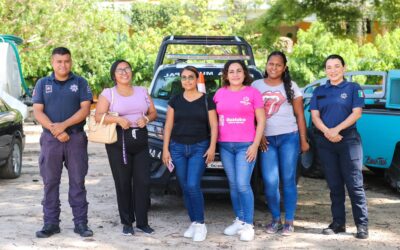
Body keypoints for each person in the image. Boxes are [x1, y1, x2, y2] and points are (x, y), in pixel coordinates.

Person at [32, 47, 93, 238]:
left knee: (77, 181)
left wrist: (63, 126)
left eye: (66, 61)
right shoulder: (43, 83)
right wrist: (55, 130)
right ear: (52, 62)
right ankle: (51, 223)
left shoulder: (80, 82)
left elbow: (85, 110)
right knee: (50, 182)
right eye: (59, 61)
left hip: (75, 138)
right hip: (51, 140)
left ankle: (81, 223)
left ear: (71, 62)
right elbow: (38, 111)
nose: (63, 65)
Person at [95, 59, 157, 236]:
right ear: (114, 75)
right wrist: (117, 119)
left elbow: (153, 113)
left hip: (141, 141)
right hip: (118, 142)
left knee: (143, 182)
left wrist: (145, 119)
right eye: (119, 70)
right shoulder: (109, 93)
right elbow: (98, 116)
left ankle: (143, 222)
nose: (124, 72)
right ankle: (127, 222)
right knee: (123, 183)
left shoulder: (142, 91)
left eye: (127, 69)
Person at [310, 54, 369, 239]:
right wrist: (328, 132)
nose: (333, 70)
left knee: (355, 184)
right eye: (329, 67)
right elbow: (314, 116)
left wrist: (336, 130)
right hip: (326, 143)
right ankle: (338, 223)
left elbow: (357, 113)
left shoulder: (353, 88)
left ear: (344, 68)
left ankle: (362, 225)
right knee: (335, 185)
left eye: (336, 66)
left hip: (349, 141)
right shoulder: (319, 91)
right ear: (325, 70)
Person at [252, 51, 309, 236]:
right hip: (266, 140)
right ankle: (276, 219)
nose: (273, 67)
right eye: (271, 64)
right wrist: (258, 136)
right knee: (270, 181)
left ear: (284, 68)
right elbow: (251, 115)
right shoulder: (256, 86)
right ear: (266, 65)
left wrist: (303, 139)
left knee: (288, 180)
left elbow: (300, 115)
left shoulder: (292, 86)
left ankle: (289, 222)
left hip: (289, 137)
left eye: (278, 65)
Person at [162, 66, 218, 242]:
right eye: (184, 78)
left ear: (197, 79)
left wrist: (211, 147)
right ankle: (193, 222)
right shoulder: (175, 100)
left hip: (199, 147)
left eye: (190, 77)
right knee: (185, 186)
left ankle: (201, 224)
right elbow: (168, 126)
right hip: (177, 148)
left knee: (193, 184)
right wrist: (165, 149)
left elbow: (214, 126)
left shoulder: (207, 100)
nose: (187, 81)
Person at [213, 60, 266, 241]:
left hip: (246, 145)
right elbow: (213, 119)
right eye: (231, 71)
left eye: (239, 71)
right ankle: (240, 220)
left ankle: (249, 225)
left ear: (244, 74)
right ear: (226, 75)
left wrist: (255, 144)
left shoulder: (253, 93)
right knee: (234, 185)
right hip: (226, 145)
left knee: (243, 184)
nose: (235, 74)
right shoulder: (219, 94)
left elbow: (261, 121)